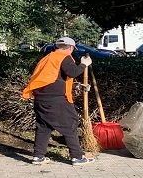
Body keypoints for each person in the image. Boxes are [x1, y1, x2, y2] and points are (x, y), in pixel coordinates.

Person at [21, 36, 94, 166]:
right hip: (56, 100)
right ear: (71, 48)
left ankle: (38, 156)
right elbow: (72, 72)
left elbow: (53, 79)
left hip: (41, 98)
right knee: (70, 124)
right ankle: (77, 157)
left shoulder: (47, 58)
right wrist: (84, 64)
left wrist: (75, 86)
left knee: (44, 126)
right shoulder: (63, 57)